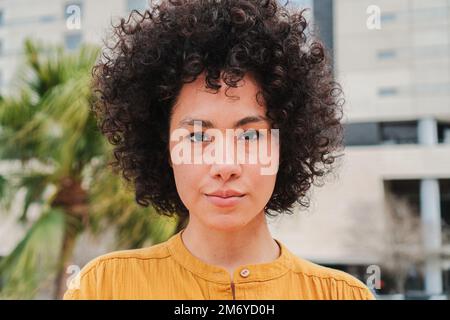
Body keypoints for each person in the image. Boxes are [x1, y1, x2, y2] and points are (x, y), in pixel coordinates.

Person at [63, 0, 375, 300]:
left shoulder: (341, 296)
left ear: (285, 145)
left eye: (250, 136)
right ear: (165, 147)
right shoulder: (105, 289)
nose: (225, 165)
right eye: (198, 136)